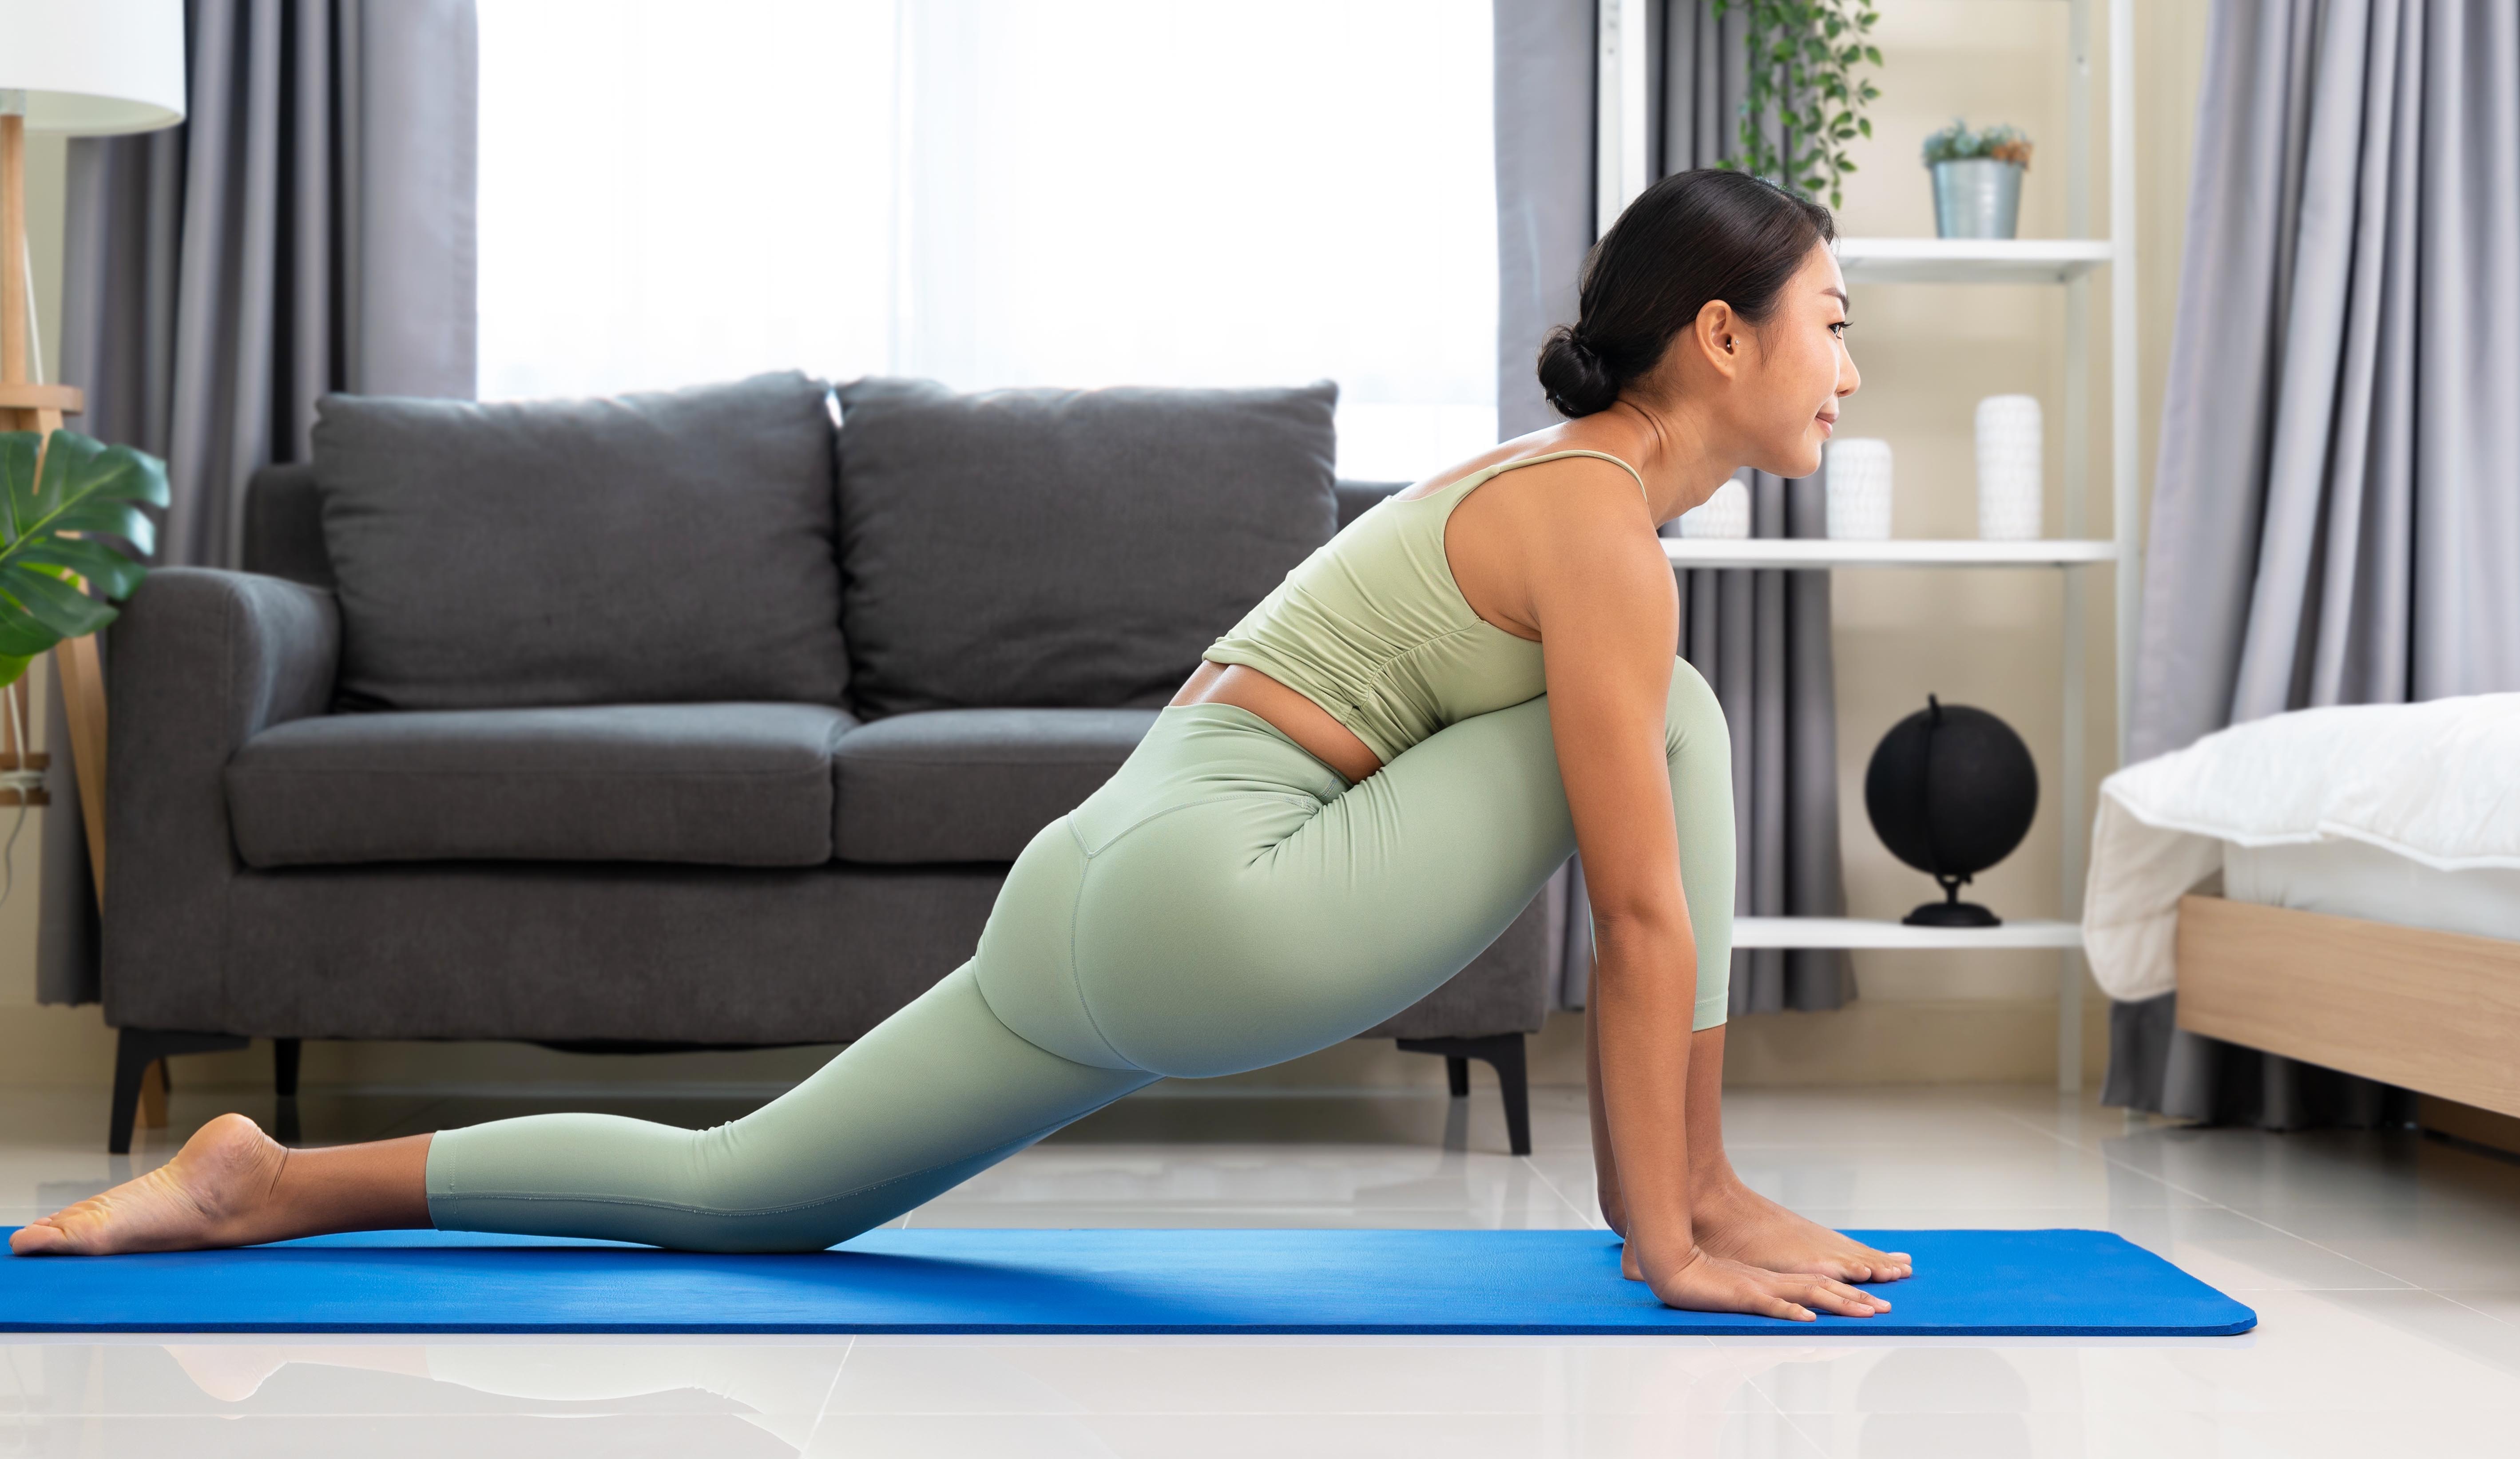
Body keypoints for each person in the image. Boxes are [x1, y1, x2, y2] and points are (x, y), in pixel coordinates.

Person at [9, 168, 1907, 1321]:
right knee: (1677, 717)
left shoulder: (1541, 490)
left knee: (734, 1190)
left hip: (1090, 896)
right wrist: (1669, 1236)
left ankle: (266, 1180)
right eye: (1835, 322)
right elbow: (1644, 923)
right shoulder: (1596, 526)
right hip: (1215, 901)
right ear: (1720, 339)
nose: (1849, 364)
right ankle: (1689, 1200)